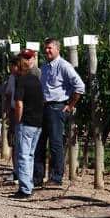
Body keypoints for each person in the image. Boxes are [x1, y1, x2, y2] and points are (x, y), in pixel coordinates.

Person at [33, 38, 85, 187]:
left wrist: (70, 105)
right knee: (39, 143)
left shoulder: (64, 66)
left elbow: (80, 86)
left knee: (55, 144)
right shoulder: (45, 66)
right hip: (43, 108)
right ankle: (37, 177)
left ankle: (56, 178)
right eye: (46, 48)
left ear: (57, 49)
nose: (47, 51)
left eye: (50, 48)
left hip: (56, 108)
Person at [12, 56, 44, 198]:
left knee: (23, 156)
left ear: (17, 67)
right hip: (38, 123)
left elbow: (19, 103)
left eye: (12, 66)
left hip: (26, 123)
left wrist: (17, 121)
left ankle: (25, 189)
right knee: (30, 155)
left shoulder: (21, 81)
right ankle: (29, 185)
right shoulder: (36, 80)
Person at [2, 57, 20, 184]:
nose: (11, 69)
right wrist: (8, 111)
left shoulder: (28, 77)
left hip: (25, 113)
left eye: (13, 66)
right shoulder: (12, 78)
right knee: (13, 143)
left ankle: (23, 172)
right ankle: (15, 171)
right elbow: (8, 94)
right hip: (14, 112)